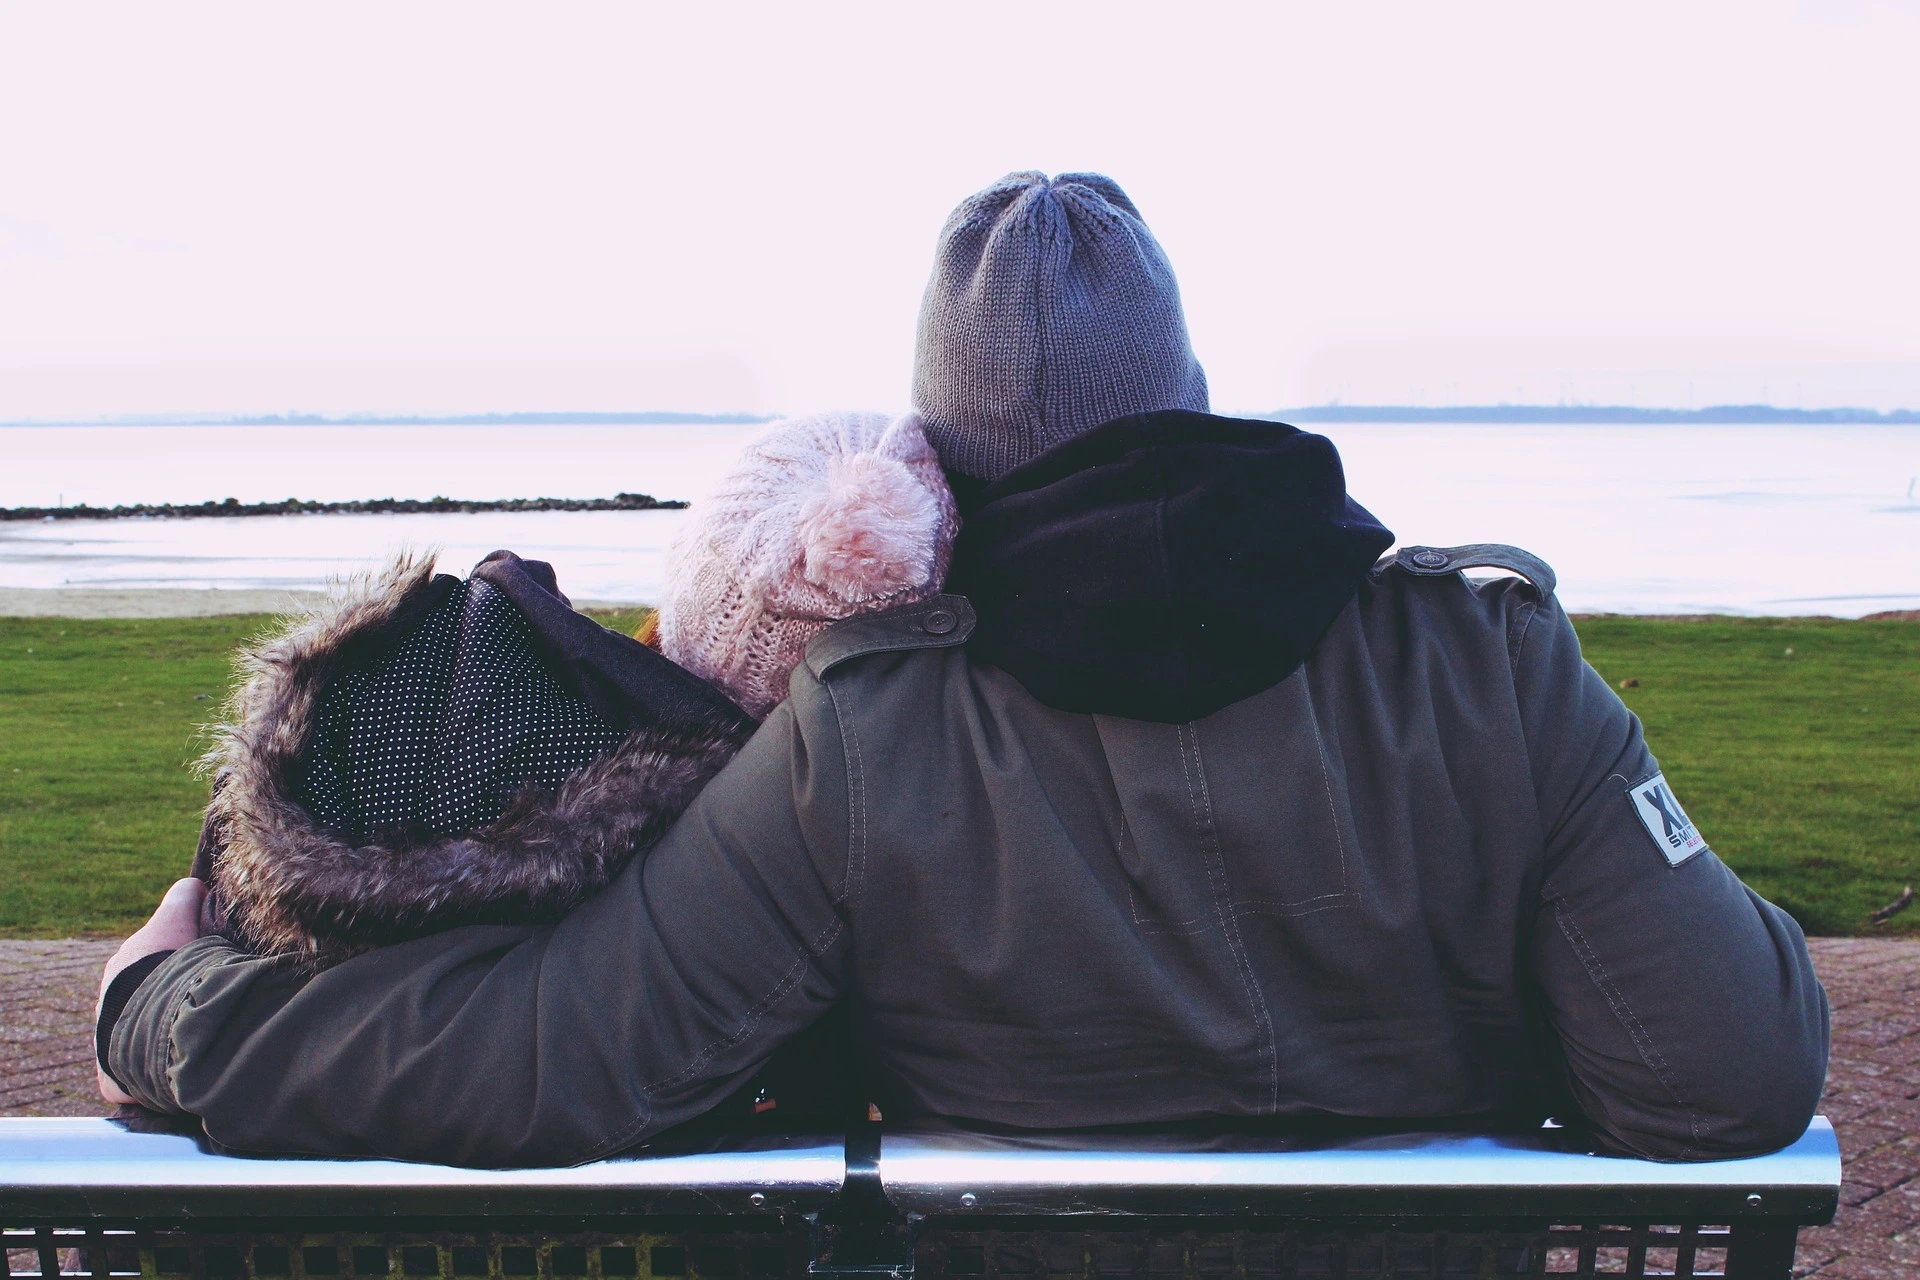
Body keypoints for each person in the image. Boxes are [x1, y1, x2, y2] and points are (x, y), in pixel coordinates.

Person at [96, 171, 1828, 1168]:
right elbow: (1731, 1074)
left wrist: (166, 1007)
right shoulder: (1493, 661)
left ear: (944, 464)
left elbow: (545, 1061)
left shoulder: (865, 736)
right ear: (1197, 392)